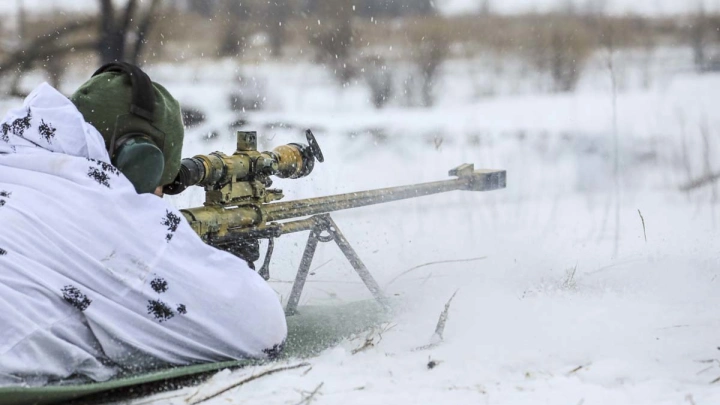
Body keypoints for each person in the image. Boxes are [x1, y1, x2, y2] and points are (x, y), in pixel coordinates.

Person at [0, 63, 287, 386]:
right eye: (161, 185)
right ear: (139, 162)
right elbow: (261, 329)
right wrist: (227, 267)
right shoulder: (105, 209)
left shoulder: (15, 159)